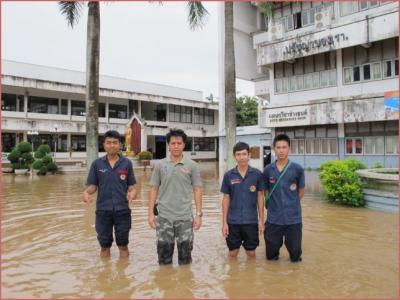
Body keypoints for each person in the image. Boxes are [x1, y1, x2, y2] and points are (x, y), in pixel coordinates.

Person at [148, 129, 203, 265]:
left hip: (184, 218)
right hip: (164, 217)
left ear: (184, 145)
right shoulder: (160, 165)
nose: (176, 146)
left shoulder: (192, 165)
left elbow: (197, 189)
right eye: (173, 143)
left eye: (179, 143)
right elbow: (153, 189)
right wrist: (150, 214)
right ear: (168, 145)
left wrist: (198, 215)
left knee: (185, 259)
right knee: (164, 259)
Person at [83, 130, 137, 258]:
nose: (112, 145)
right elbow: (92, 186)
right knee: (104, 246)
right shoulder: (97, 164)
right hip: (103, 210)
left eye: (115, 142)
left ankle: (123, 276)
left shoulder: (127, 163)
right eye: (109, 143)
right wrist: (86, 192)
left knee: (123, 245)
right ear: (104, 145)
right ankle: (104, 275)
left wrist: (133, 192)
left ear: (120, 145)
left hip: (122, 210)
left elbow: (131, 185)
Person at [262, 134, 305, 262]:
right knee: (271, 256)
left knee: (295, 255)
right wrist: (275, 205)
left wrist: (291, 205)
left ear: (289, 149)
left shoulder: (297, 169)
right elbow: (265, 191)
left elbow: (301, 192)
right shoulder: (268, 170)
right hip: (273, 219)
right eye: (278, 147)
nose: (281, 150)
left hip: (293, 219)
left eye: (284, 147)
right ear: (274, 149)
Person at [220, 142, 265, 258]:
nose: (241, 157)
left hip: (251, 221)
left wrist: (261, 220)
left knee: (251, 253)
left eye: (244, 154)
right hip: (233, 221)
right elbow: (226, 198)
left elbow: (260, 197)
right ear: (234, 157)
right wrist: (224, 222)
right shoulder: (229, 175)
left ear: (249, 155)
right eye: (238, 154)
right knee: (232, 253)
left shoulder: (257, 174)